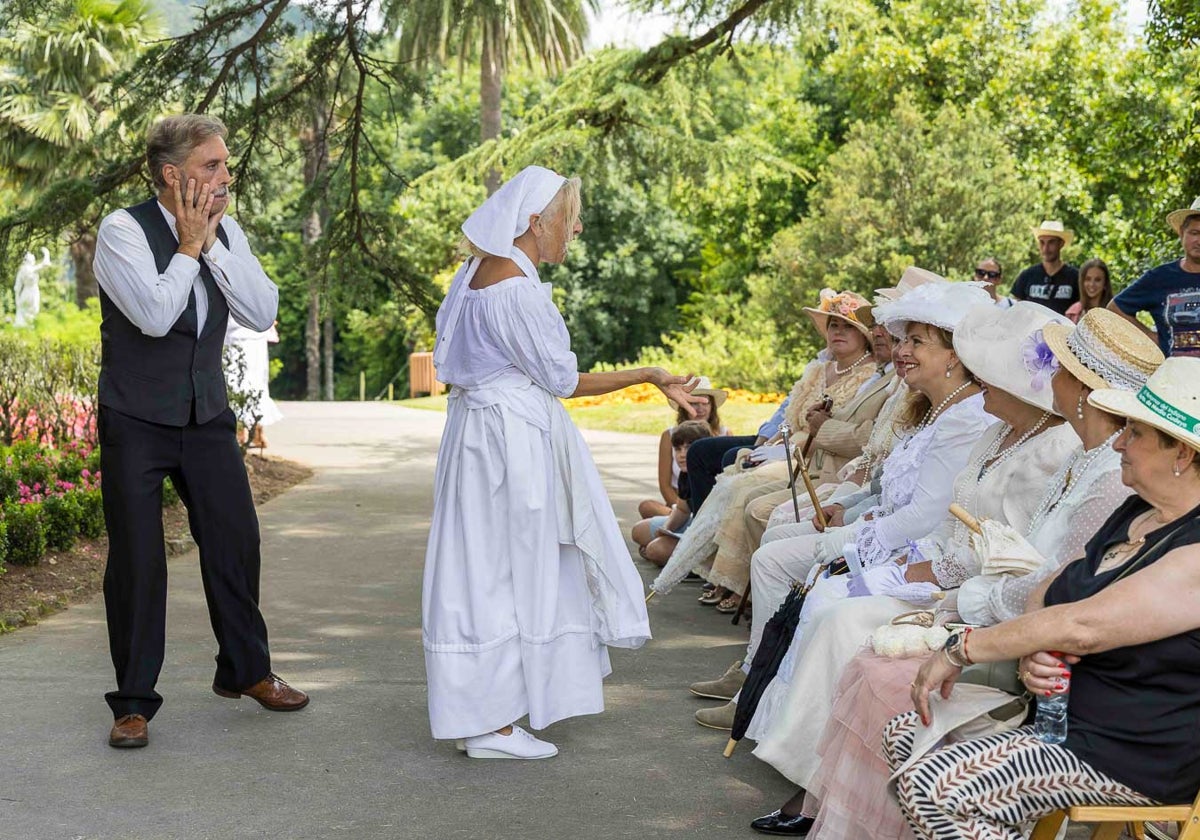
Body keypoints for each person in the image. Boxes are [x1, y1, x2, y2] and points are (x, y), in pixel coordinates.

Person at [758, 308, 1161, 840]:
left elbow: (1061, 595)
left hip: (1035, 658)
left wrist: (959, 612)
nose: (1048, 379)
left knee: (877, 661)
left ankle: (846, 806)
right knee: (866, 648)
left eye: (1059, 368)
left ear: (1084, 389)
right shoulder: (1084, 460)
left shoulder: (1105, 474)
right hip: (1005, 621)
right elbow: (1033, 565)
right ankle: (829, 797)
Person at [422, 165, 703, 760]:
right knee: (511, 569)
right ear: (532, 223)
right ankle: (491, 725)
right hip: (508, 446)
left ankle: (489, 712)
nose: (574, 230)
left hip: (480, 436)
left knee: (484, 569)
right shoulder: (515, 293)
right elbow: (562, 379)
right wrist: (650, 373)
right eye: (567, 219)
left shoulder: (473, 275)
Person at [739, 302, 1076, 769]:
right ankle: (806, 759)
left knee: (838, 614)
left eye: (988, 372)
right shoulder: (998, 433)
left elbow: (1019, 553)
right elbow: (949, 518)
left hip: (979, 602)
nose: (979, 383)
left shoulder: (1053, 447)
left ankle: (816, 769)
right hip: (941, 575)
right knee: (832, 602)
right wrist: (906, 560)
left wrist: (931, 570)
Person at [891, 356, 1200, 840]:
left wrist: (961, 649)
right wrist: (1037, 648)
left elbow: (1081, 625)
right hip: (1063, 726)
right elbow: (1048, 591)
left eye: (1135, 433)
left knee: (934, 787)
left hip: (1129, 752)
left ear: (1181, 453)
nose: (1118, 441)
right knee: (905, 734)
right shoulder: (1138, 513)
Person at [689, 280, 994, 729]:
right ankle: (758, 676)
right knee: (775, 545)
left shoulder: (964, 418)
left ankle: (760, 689)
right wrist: (852, 513)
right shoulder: (936, 407)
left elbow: (926, 516)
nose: (901, 349)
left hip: (917, 552)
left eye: (916, 341)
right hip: (889, 531)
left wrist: (850, 536)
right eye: (902, 338)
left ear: (954, 354)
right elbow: (889, 487)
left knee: (776, 560)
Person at [92, 114, 305, 750]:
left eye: (225, 164)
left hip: (206, 413)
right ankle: (133, 703)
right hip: (135, 416)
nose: (225, 177)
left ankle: (245, 671)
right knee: (137, 560)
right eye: (212, 165)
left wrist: (210, 243)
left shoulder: (227, 230)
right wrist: (188, 247)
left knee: (236, 540)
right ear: (171, 174)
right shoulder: (121, 230)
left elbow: (262, 310)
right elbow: (156, 316)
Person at [671, 289, 879, 614]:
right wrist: (764, 442)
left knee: (741, 483)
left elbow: (837, 429)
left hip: (809, 453)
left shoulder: (868, 375)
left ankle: (736, 579)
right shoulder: (818, 367)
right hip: (783, 441)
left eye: (848, 326)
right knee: (708, 452)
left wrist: (788, 444)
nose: (838, 332)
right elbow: (786, 410)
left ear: (865, 336)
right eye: (833, 325)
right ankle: (707, 555)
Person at [1109, 196, 1200, 357]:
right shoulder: (1160, 277)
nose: (1199, 241)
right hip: (1172, 377)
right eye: (1194, 233)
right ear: (1181, 234)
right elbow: (1115, 309)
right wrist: (1151, 339)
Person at [637, 377, 727, 519]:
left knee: (650, 536)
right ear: (683, 406)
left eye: (705, 403)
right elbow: (665, 485)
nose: (700, 409)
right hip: (678, 506)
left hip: (712, 507)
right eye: (693, 403)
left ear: (712, 406)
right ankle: (680, 523)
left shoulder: (724, 434)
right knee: (647, 507)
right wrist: (680, 510)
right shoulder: (669, 435)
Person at [632, 420, 714, 566]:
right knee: (638, 530)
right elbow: (682, 509)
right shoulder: (685, 474)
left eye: (688, 448)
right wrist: (666, 529)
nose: (682, 455)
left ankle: (696, 565)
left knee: (655, 550)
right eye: (677, 449)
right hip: (691, 523)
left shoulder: (710, 475)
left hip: (709, 534)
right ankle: (670, 551)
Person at [223, 319, 283, 448]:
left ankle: (244, 431)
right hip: (253, 333)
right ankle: (255, 431)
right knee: (255, 382)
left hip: (238, 335)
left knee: (237, 381)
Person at [1012, 220, 1079, 316]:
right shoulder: (1027, 275)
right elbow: (1016, 308)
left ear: (1061, 244)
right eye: (1042, 243)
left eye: (1051, 242)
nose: (1045, 248)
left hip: (1064, 330)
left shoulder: (1075, 276)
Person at [1065, 257, 1113, 323]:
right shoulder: (1072, 312)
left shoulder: (1113, 312)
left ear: (1105, 283)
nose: (1092, 284)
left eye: (1097, 280)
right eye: (1088, 279)